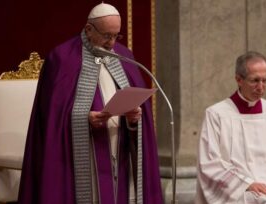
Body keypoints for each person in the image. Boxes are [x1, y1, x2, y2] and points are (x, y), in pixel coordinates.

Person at [18, 3, 163, 204]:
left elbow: (139, 109)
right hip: (79, 155)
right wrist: (83, 118)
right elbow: (50, 116)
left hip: (119, 146)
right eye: (106, 35)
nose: (111, 43)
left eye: (116, 36)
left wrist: (134, 119)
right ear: (88, 29)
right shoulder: (61, 58)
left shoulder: (124, 56)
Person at [195, 51, 266, 204]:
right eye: (254, 80)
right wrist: (246, 184)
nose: (260, 87)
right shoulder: (217, 114)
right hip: (239, 190)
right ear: (238, 79)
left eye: (265, 80)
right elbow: (210, 163)